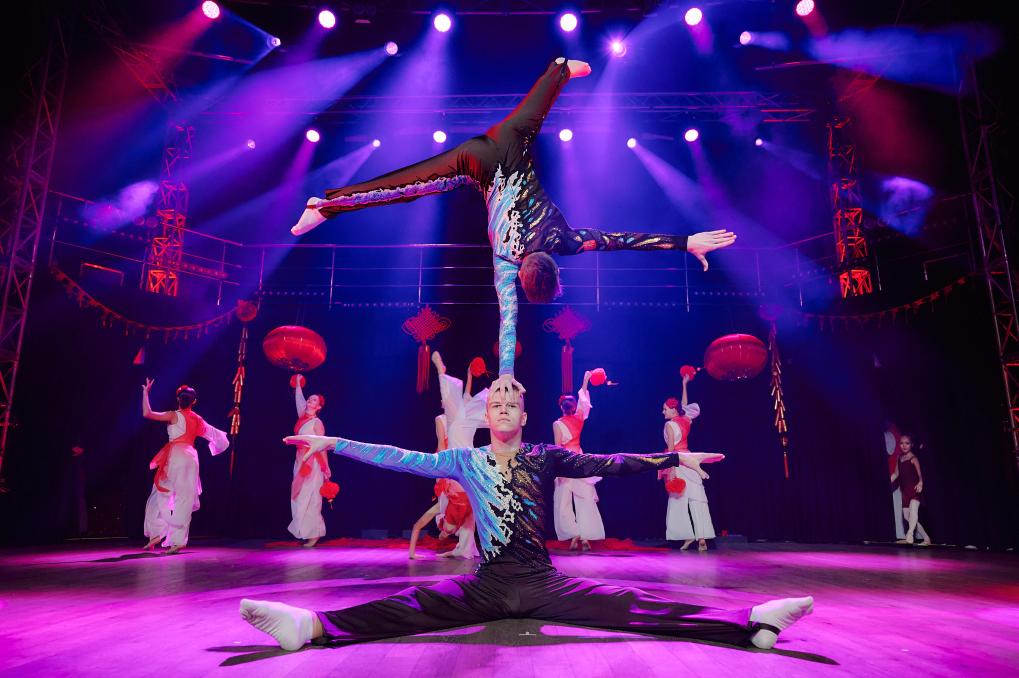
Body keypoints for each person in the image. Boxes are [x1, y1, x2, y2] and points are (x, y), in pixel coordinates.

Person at [239, 382, 813, 652]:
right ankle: (309, 627)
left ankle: (750, 620)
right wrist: (335, 443)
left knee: (631, 606)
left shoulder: (547, 455)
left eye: (512, 401)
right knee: (409, 606)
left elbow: (611, 462)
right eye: (495, 402)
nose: (503, 406)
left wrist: (674, 457)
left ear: (524, 414)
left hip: (544, 582)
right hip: (486, 585)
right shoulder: (465, 459)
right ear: (487, 416)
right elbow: (399, 457)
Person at [290, 59, 736, 389]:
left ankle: (559, 70)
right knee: (405, 186)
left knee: (528, 115)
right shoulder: (507, 265)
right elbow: (509, 323)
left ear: (555, 271)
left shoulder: (568, 241)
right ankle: (324, 206)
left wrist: (685, 241)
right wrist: (505, 376)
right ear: (525, 279)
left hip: (508, 143)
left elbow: (621, 239)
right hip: (473, 162)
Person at [407, 352, 486, 559]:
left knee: (468, 407)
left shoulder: (450, 415)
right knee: (469, 499)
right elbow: (442, 443)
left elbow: (465, 396)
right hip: (459, 453)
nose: (444, 400)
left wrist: (469, 374)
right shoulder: (444, 418)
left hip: (456, 452)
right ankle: (464, 547)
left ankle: (441, 373)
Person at [141, 381, 229, 554]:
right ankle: (177, 540)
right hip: (191, 457)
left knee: (160, 493)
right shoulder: (197, 419)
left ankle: (156, 532)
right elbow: (217, 436)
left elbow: (147, 413)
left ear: (178, 399)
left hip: (176, 456)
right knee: (184, 499)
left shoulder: (173, 415)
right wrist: (214, 448)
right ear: (194, 401)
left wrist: (145, 393)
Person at [659, 374, 715, 551]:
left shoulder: (669, 425)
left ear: (673, 411)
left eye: (665, 409)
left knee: (678, 501)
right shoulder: (686, 420)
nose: (663, 412)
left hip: (678, 462)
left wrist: (671, 470)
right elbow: (684, 405)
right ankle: (701, 537)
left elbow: (671, 451)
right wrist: (684, 384)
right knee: (697, 498)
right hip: (690, 460)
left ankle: (688, 535)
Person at [552, 370, 604, 550]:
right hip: (579, 460)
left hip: (566, 462)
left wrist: (557, 469)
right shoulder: (579, 418)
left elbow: (558, 447)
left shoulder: (557, 424)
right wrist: (585, 380)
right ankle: (585, 536)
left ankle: (575, 534)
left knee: (563, 501)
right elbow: (583, 401)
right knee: (584, 498)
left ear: (561, 407)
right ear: (573, 407)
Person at [288, 375, 330, 548]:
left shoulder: (317, 423)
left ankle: (314, 534)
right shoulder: (302, 417)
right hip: (300, 460)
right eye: (309, 398)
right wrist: (298, 384)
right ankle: (304, 531)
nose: (309, 401)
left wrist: (326, 467)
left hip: (313, 463)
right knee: (298, 496)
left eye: (313, 400)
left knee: (311, 496)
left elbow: (323, 446)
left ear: (318, 407)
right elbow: (299, 399)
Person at [891, 434, 931, 546]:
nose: (904, 446)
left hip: (915, 489)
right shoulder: (899, 458)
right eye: (901, 443)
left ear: (911, 445)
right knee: (907, 516)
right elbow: (896, 474)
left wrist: (921, 482)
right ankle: (926, 538)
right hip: (905, 492)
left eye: (907, 443)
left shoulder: (913, 458)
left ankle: (909, 536)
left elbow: (920, 474)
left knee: (913, 512)